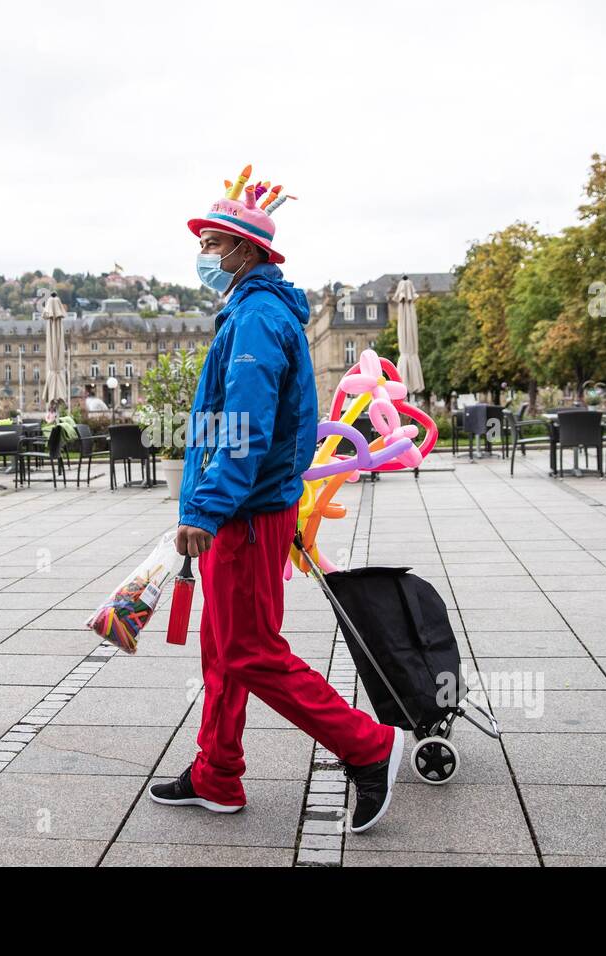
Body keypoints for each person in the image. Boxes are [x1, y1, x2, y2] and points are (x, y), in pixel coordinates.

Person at [148, 170, 404, 834]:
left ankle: (369, 747)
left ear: (244, 250)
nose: (204, 255)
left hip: (244, 514)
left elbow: (245, 427)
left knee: (251, 651)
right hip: (251, 509)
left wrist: (205, 510)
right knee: (221, 645)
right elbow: (238, 424)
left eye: (211, 243)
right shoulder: (250, 310)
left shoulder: (257, 318)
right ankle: (216, 774)